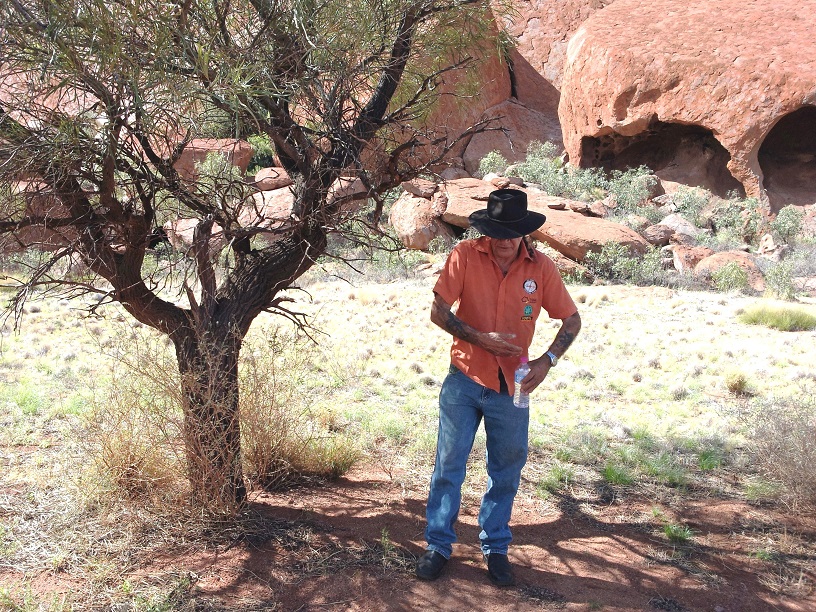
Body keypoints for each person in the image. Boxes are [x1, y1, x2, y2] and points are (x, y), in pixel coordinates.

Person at [415, 188, 582, 586]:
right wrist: (480, 339)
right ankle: (438, 545)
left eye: (512, 232)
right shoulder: (465, 255)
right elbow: (438, 310)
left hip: (516, 384)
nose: (504, 240)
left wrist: (548, 360)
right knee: (448, 465)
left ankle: (495, 547)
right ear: (486, 229)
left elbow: (572, 320)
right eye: (496, 231)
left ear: (525, 231)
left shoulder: (541, 268)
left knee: (506, 469)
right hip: (464, 377)